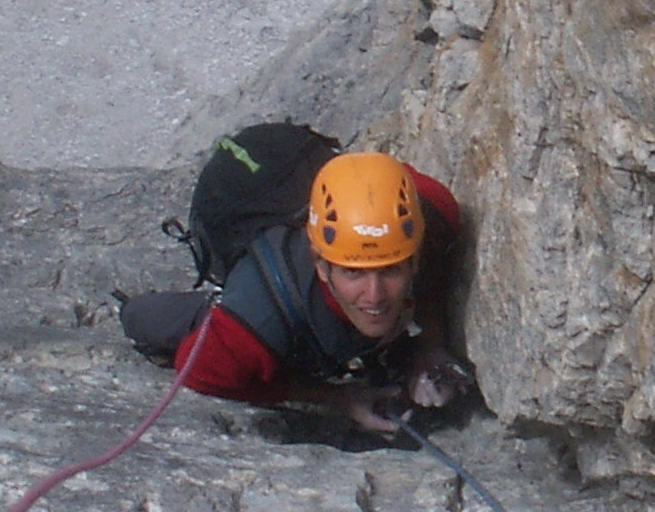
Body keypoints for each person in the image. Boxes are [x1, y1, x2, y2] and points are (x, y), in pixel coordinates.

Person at [118, 148, 470, 434]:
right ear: (321, 265)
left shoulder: (435, 214)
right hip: (263, 305)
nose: (374, 294)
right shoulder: (262, 316)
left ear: (415, 257)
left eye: (390, 269)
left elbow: (403, 186)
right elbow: (200, 371)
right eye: (353, 272)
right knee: (138, 319)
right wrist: (337, 398)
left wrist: (430, 347)